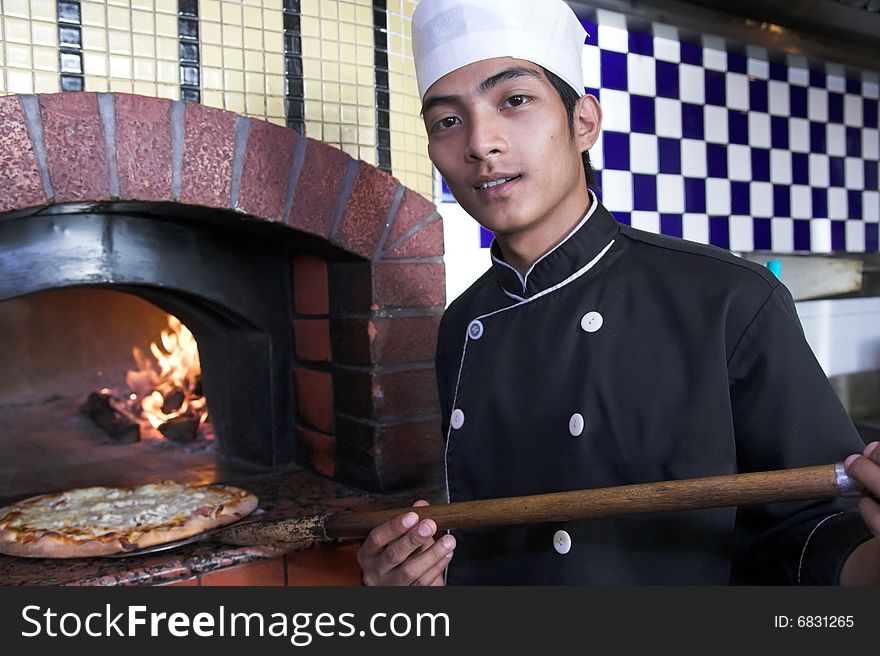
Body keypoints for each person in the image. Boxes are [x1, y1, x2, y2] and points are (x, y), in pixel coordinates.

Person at [357, 0, 880, 585]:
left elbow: (816, 525)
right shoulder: (462, 322)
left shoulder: (729, 301)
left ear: (583, 122)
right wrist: (415, 579)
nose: (481, 143)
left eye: (515, 100)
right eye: (448, 121)